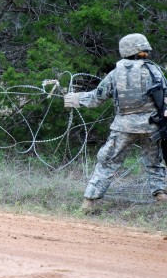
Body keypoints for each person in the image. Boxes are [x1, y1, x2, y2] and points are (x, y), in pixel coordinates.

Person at [64, 33, 167, 213]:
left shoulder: (116, 73)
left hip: (123, 127)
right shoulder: (155, 71)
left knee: (107, 162)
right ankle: (161, 198)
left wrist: (74, 99)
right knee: (154, 162)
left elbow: (97, 98)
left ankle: (89, 203)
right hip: (152, 126)